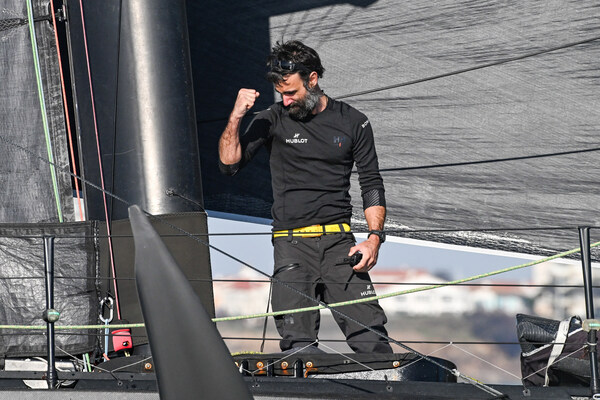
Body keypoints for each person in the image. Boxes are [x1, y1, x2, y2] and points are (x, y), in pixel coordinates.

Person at [219, 40, 392, 354]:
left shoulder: (354, 121)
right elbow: (229, 165)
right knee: (298, 349)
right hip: (292, 247)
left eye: (291, 92)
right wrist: (236, 116)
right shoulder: (272, 118)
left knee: (373, 342)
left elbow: (371, 184)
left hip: (341, 245)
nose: (285, 101)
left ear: (312, 79)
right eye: (281, 93)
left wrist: (374, 239)